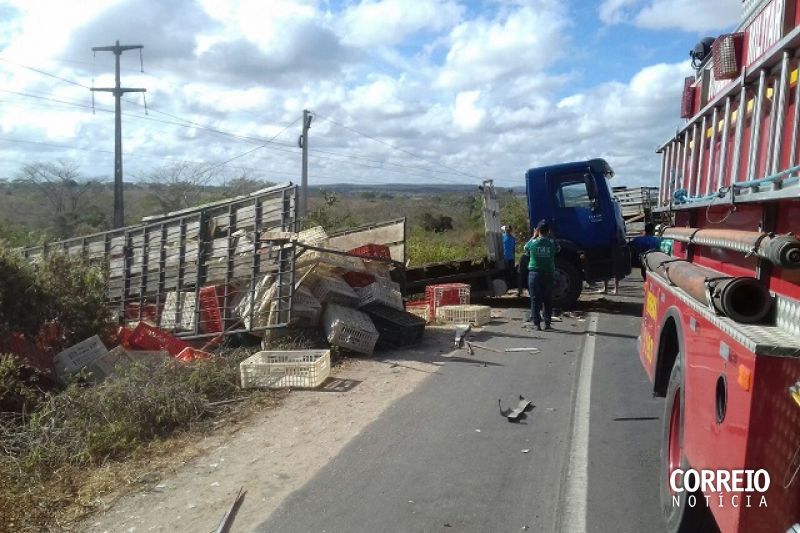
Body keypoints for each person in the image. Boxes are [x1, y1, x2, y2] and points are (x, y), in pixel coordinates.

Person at [524, 220, 560, 331]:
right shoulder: (551, 243)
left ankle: (536, 324)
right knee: (547, 299)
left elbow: (525, 249)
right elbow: (558, 249)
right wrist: (553, 237)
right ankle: (547, 323)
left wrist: (533, 236)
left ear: (538, 230)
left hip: (534, 274)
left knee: (535, 299)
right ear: (548, 231)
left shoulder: (532, 243)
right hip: (548, 274)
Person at [501, 225, 517, 291]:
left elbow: (513, 249)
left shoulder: (513, 238)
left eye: (509, 230)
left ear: (510, 230)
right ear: (505, 230)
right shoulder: (502, 237)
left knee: (512, 271)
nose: (508, 231)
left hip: (511, 258)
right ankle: (508, 285)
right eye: (507, 230)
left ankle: (512, 284)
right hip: (505, 258)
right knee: (507, 271)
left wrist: (514, 257)